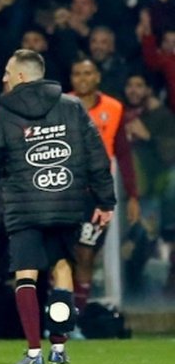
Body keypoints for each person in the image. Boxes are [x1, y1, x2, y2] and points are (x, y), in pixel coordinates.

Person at [0, 49, 115, 364]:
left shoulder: (4, 111)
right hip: (66, 201)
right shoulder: (72, 106)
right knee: (63, 268)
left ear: (22, 76)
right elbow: (97, 155)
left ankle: (34, 351)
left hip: (23, 205)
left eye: (7, 72)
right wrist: (105, 201)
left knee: (26, 273)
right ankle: (60, 348)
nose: (3, 78)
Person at [68, 58, 138, 319]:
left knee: (86, 255)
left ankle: (75, 318)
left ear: (97, 77)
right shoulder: (61, 105)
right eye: (77, 74)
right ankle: (55, 315)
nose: (82, 79)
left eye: (87, 73)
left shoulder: (114, 108)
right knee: (62, 256)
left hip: (97, 196)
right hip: (64, 192)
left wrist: (133, 195)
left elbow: (123, 153)